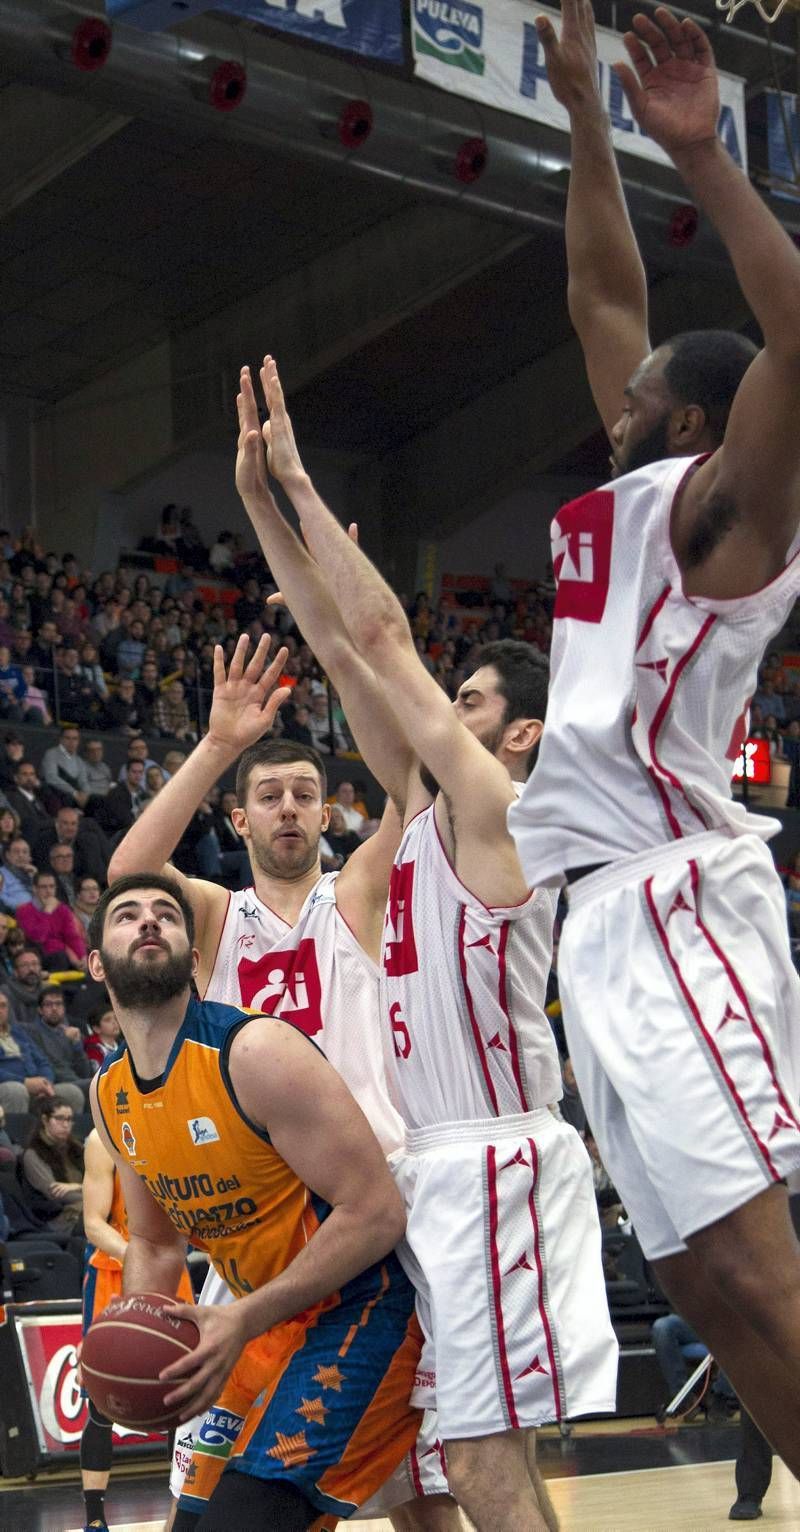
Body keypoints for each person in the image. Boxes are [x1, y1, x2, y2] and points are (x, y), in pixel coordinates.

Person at [247, 356, 616, 1530]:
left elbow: (384, 635)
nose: (438, 710)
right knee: (446, 1461)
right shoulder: (415, 817)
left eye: (465, 701)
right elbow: (346, 648)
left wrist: (305, 487)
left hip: (496, 1157)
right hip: (432, 1164)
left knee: (481, 1454)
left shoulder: (504, 812)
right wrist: (259, 505)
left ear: (518, 736)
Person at [508, 3, 800, 1476]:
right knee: (697, 1278)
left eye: (634, 395)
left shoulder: (724, 509)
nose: (606, 398)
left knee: (757, 1269)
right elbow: (597, 293)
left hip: (680, 897)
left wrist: (704, 155)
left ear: (688, 416)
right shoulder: (627, 503)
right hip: (598, 919)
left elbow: (795, 336)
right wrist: (582, 117)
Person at [110, 452, 456, 1523]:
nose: (293, 808)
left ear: (326, 811)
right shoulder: (211, 915)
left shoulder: (356, 891)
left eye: (308, 792)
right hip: (263, 1234)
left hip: (373, 1211)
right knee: (221, 1495)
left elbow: (419, 780)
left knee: (420, 1487)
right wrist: (219, 744)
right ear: (245, 818)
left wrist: (340, 622)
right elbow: (129, 872)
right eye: (272, 796)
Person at [87, 875, 420, 1532]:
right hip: (264, 1323)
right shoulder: (111, 1093)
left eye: (167, 915)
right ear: (95, 962)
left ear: (191, 954)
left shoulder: (255, 1052)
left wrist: (241, 1319)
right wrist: (157, 1352)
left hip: (362, 1308)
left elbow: (377, 1213)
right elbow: (155, 1244)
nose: (150, 922)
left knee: (246, 1519)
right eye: (127, 915)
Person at [80, 1127, 193, 1532]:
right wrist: (144, 1257)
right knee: (101, 1402)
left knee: (178, 1398)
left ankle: (179, 1513)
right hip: (116, 1272)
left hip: (173, 1272)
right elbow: (93, 1224)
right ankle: (95, 1520)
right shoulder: (100, 1141)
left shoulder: (175, 1128)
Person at [21, 1095, 84, 1236]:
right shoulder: (33, 1153)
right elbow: (54, 1193)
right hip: (55, 1218)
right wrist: (91, 1192)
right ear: (45, 1120)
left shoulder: (77, 1148)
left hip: (81, 1206)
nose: (66, 1124)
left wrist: (79, 1187)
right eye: (60, 1118)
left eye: (69, 1119)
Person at [25, 986, 92, 1102]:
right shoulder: (32, 1032)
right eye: (48, 1004)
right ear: (40, 1010)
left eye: (58, 1004)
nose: (54, 1008)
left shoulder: (71, 1033)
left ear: (64, 1008)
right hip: (55, 1083)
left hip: (75, 1081)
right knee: (96, 1086)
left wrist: (77, 1045)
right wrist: (77, 1080)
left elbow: (85, 1072)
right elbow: (49, 1065)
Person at [0, 989, 59, 1114]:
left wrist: (45, 1083)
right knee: (16, 1091)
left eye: (3, 1006)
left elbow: (42, 1061)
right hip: (9, 1084)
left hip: (34, 1082)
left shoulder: (18, 1032)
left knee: (71, 1092)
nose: (0, 1010)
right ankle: (13, 1133)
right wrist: (25, 1083)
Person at [16, 870, 87, 970]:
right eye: (44, 887)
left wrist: (82, 956)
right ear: (35, 889)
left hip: (63, 955)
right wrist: (47, 912)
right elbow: (38, 937)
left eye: (51, 886)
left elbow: (72, 937)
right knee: (59, 956)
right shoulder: (24, 910)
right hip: (39, 955)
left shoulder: (63, 909)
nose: (48, 891)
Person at [41, 724, 91, 808]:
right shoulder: (51, 754)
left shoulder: (79, 761)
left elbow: (83, 782)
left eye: (75, 739)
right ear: (61, 739)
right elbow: (51, 778)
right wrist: (74, 793)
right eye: (68, 738)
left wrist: (86, 794)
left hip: (75, 796)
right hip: (56, 794)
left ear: (78, 741)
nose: (72, 742)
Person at [82, 1006, 120, 1073]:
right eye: (107, 1020)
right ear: (97, 1028)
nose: (114, 1022)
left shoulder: (123, 1043)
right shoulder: (92, 1048)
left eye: (116, 1018)